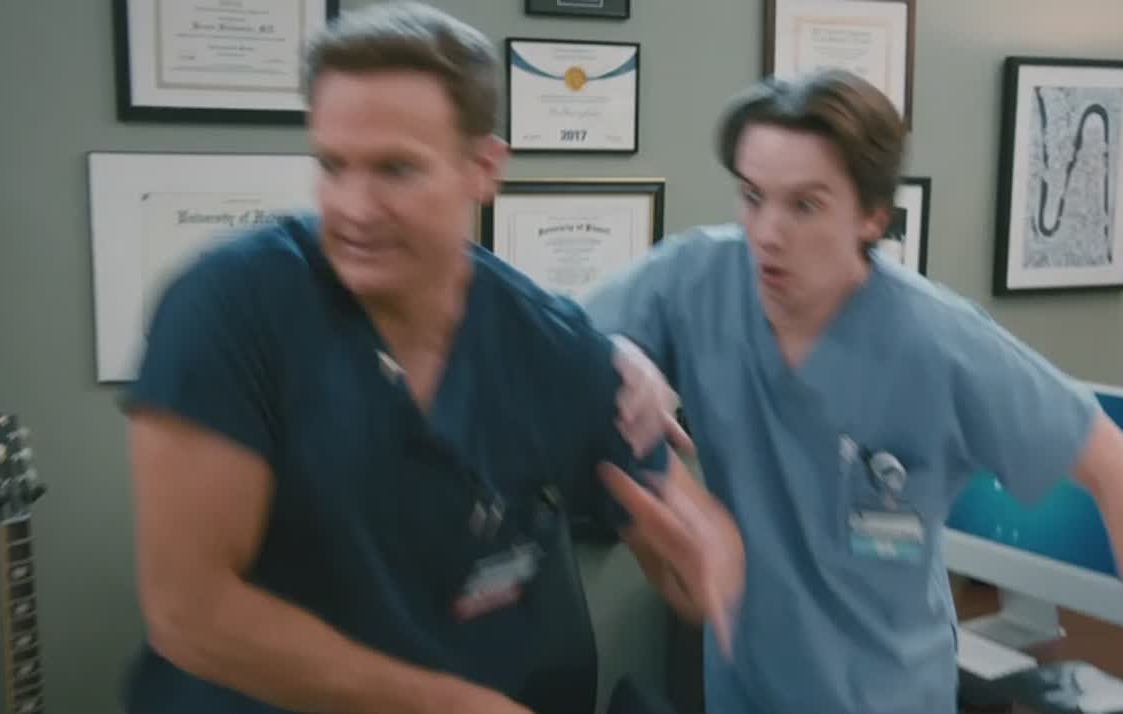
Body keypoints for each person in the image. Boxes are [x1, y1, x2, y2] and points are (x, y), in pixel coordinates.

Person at [119, 3, 743, 714]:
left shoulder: (545, 341)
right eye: (332, 166)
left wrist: (706, 567)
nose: (354, 207)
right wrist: (448, 706)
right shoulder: (229, 309)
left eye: (396, 169)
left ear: (484, 167)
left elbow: (689, 530)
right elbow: (190, 611)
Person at [585, 70, 1123, 713]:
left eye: (804, 206)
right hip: (745, 693)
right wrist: (623, 361)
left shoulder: (940, 344)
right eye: (752, 196)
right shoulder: (693, 282)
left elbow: (1122, 473)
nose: (766, 233)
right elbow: (552, 353)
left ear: (873, 215)